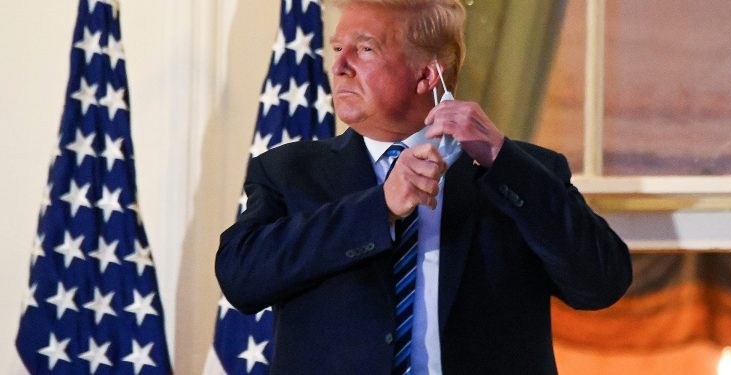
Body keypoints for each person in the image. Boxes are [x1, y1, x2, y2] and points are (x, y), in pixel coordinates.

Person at [215, 0, 632, 373]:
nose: (339, 66)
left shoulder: (522, 173)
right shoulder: (289, 171)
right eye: (337, 48)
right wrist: (378, 208)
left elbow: (601, 282)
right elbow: (240, 278)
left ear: (426, 75)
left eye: (364, 49)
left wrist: (502, 160)